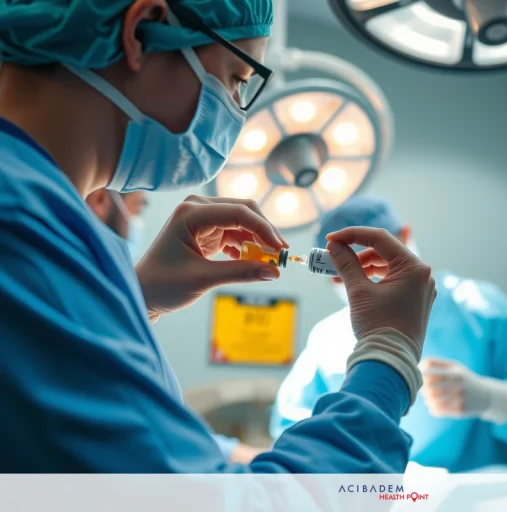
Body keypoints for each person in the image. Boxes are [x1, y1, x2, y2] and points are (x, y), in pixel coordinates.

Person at [0, 0, 436, 476]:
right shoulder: (18, 223)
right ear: (142, 31)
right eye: (235, 80)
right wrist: (388, 355)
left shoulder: (37, 218)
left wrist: (137, 299)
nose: (235, 114)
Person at [271, 196, 507, 472]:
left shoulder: (479, 308)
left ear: (404, 238)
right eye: (343, 272)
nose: (360, 280)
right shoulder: (327, 338)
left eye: (371, 263)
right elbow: (292, 433)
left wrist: (492, 398)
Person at [86, 189, 264, 464]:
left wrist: (141, 302)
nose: (137, 220)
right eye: (139, 207)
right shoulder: (55, 301)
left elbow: (162, 429)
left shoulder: (97, 310)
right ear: (100, 200)